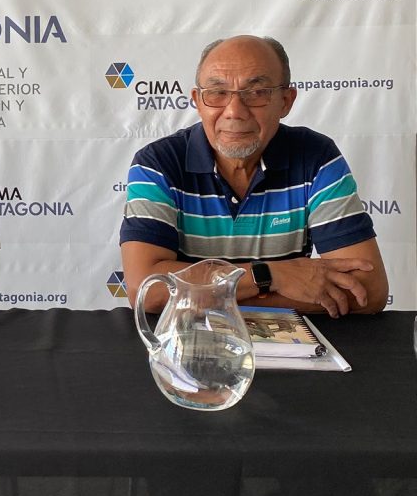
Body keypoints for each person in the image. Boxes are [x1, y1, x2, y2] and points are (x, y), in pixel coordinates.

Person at [120, 34, 388, 317]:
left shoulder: (315, 158)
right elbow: (147, 291)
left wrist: (206, 296)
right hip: (188, 339)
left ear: (286, 101)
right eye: (217, 92)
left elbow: (367, 291)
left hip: (290, 341)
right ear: (198, 101)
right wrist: (272, 275)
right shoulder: (158, 163)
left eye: (257, 93)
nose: (234, 112)